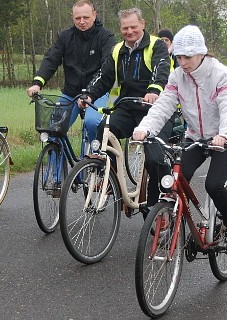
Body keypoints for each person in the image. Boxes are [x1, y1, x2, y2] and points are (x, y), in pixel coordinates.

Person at [132, 25, 227, 254]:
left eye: (188, 56)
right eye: (179, 57)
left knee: (213, 185)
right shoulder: (177, 77)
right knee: (175, 180)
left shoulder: (220, 74)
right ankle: (178, 227)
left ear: (201, 53)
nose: (183, 62)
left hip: (226, 139)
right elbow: (163, 106)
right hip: (195, 137)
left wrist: (225, 135)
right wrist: (144, 128)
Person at [79, 7, 173, 212]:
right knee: (104, 128)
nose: (129, 31)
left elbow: (162, 71)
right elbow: (104, 77)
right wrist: (89, 95)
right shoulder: (118, 49)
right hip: (128, 107)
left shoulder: (157, 46)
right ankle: (111, 178)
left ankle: (163, 199)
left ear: (143, 24)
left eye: (133, 27)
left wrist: (154, 90)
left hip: (156, 109)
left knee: (155, 159)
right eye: (125, 28)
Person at [26, 0, 114, 147]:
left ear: (94, 15)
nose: (82, 21)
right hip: (71, 93)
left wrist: (91, 93)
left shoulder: (106, 37)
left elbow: (107, 67)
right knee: (53, 130)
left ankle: (95, 158)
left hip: (97, 93)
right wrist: (37, 83)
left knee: (92, 123)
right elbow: (51, 59)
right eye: (78, 18)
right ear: (72, 17)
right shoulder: (65, 37)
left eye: (86, 17)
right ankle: (56, 169)